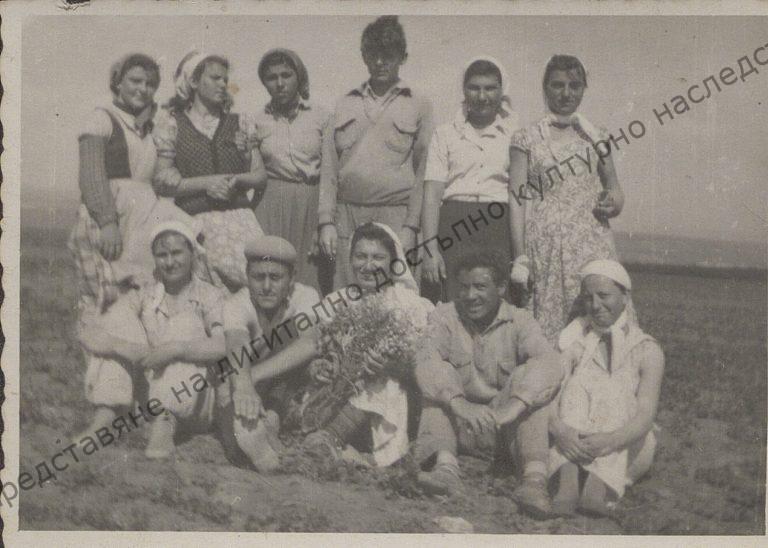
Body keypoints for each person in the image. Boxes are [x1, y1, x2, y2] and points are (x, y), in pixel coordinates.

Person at [76, 221, 279, 471]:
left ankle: (165, 424)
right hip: (148, 388)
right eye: (162, 255)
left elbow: (224, 345)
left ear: (192, 254)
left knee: (184, 324)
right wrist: (125, 347)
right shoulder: (145, 293)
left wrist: (176, 349)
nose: (170, 262)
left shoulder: (209, 296)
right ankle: (105, 416)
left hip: (194, 397)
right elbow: (94, 333)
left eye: (176, 253)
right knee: (121, 321)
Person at [233, 222, 434, 467]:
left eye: (378, 257)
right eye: (360, 256)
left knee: (383, 378)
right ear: (350, 260)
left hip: (384, 409)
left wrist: (393, 366)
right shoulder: (337, 301)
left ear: (394, 262)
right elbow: (312, 346)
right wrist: (316, 367)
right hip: (335, 398)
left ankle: (330, 439)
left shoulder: (410, 305)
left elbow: (424, 366)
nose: (368, 265)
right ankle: (281, 428)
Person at [414, 251, 564, 519]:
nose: (470, 296)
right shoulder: (445, 316)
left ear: (501, 287)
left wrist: (516, 405)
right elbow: (424, 359)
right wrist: (458, 402)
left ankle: (534, 482)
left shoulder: (520, 320)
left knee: (530, 379)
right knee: (438, 376)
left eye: (480, 287)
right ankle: (445, 470)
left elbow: (551, 362)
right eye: (464, 287)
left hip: (504, 432)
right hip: (458, 429)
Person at [508, 54, 629, 342]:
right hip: (546, 245)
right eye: (557, 85)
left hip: (591, 243)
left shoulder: (596, 135)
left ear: (584, 89)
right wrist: (520, 256)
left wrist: (612, 203)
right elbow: (516, 200)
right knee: (547, 332)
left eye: (574, 86)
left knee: (597, 321)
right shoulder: (525, 137)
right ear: (545, 87)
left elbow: (616, 190)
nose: (566, 93)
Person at [68, 53, 193, 317]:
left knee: (141, 294)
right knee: (104, 296)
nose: (143, 89)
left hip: (143, 219)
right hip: (109, 216)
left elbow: (158, 175)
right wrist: (107, 223)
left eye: (150, 84)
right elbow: (92, 176)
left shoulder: (153, 126)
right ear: (118, 82)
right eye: (135, 81)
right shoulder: (102, 118)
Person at [318, 16, 433, 290]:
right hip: (348, 216)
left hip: (396, 215)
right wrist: (326, 222)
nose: (380, 62)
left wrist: (411, 227)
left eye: (388, 55)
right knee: (347, 295)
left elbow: (424, 172)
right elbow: (329, 168)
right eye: (373, 55)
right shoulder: (344, 103)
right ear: (364, 57)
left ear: (403, 57)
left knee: (397, 296)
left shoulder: (418, 104)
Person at [549, 259, 663, 517]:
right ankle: (567, 486)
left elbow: (645, 416)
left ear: (625, 297)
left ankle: (597, 490)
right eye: (588, 298)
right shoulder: (572, 341)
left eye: (604, 295)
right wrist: (561, 432)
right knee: (574, 386)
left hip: (624, 447)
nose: (595, 305)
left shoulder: (647, 349)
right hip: (569, 445)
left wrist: (610, 441)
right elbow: (550, 398)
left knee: (616, 388)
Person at [153, 51, 266, 293]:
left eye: (225, 79)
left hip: (239, 221)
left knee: (256, 284)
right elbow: (162, 183)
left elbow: (259, 176)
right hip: (194, 222)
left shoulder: (240, 122)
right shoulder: (172, 124)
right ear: (194, 81)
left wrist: (234, 181)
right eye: (215, 78)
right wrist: (208, 183)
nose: (223, 84)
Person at [421, 57, 522, 304]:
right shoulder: (445, 134)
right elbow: (432, 195)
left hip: (497, 225)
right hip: (454, 226)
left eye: (490, 88)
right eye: (474, 88)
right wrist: (430, 249)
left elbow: (518, 195)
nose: (482, 96)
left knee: (495, 302)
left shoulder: (516, 135)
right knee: (451, 302)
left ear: (502, 90)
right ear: (464, 91)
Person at [238, 49, 331, 294]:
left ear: (299, 77)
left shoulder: (321, 117)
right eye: (272, 77)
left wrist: (324, 221)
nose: (279, 83)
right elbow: (251, 169)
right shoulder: (256, 120)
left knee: (310, 279)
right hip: (270, 203)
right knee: (271, 275)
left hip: (311, 202)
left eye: (286, 75)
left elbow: (331, 172)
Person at [222, 235, 320, 431]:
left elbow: (309, 344)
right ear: (247, 275)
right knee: (237, 434)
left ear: (292, 278)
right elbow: (236, 342)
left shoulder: (305, 295)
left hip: (282, 383)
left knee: (291, 330)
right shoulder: (237, 303)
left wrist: (253, 376)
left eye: (275, 278)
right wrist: (243, 384)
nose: (266, 287)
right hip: (247, 383)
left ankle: (275, 416)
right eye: (258, 277)